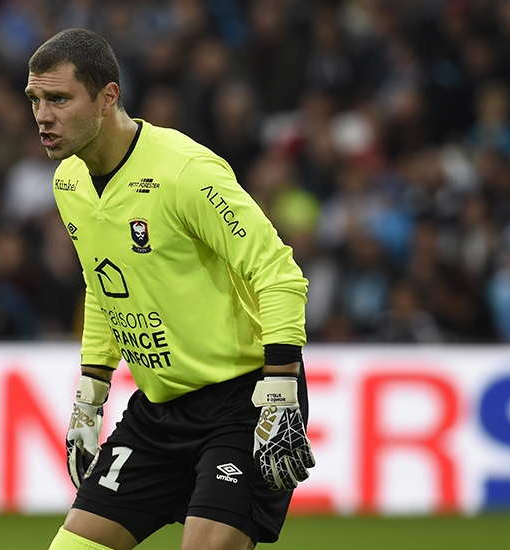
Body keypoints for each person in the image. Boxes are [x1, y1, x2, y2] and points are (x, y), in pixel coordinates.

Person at [25, 29, 314, 550]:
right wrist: (90, 397)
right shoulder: (68, 181)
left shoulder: (185, 172)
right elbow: (103, 285)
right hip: (159, 411)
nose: (43, 115)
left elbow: (278, 272)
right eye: (36, 100)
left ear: (108, 97)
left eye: (59, 99)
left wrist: (279, 388)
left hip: (242, 401)